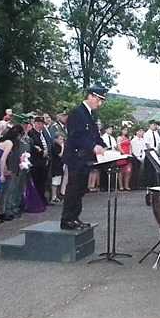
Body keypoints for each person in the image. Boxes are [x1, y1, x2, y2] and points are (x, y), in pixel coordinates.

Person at [61, 87, 106, 230]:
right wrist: (92, 146)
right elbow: (76, 135)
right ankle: (67, 219)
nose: (99, 104)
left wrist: (102, 145)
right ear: (90, 96)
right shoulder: (77, 113)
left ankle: (75, 217)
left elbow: (94, 134)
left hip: (85, 158)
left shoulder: (89, 114)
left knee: (80, 189)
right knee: (73, 187)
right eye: (98, 100)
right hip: (76, 156)